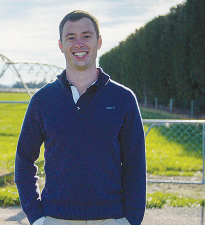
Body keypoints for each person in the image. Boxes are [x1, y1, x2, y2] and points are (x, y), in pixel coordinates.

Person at [15, 10, 146, 225]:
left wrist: (131, 220)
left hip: (111, 218)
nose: (79, 44)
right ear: (60, 45)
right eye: (71, 38)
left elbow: (135, 165)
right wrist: (37, 218)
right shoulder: (42, 100)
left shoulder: (124, 98)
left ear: (99, 42)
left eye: (86, 36)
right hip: (55, 218)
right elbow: (24, 160)